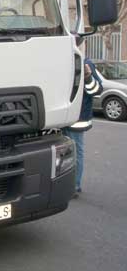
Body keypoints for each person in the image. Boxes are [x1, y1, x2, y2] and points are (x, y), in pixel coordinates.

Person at [63, 58, 103, 198]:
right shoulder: (60, 59)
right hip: (60, 118)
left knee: (75, 154)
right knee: (61, 153)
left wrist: (87, 77)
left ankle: (74, 185)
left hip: (76, 119)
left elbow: (96, 90)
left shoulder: (85, 63)